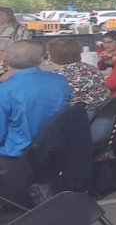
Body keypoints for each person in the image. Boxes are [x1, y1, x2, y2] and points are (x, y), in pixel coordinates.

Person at [0, 41, 69, 199]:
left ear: (7, 61)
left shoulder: (5, 91)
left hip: (19, 152)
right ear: (41, 59)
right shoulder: (59, 81)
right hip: (54, 146)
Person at [44, 38, 109, 113]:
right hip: (102, 113)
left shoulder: (56, 77)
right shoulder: (91, 68)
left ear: (51, 56)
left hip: (76, 118)